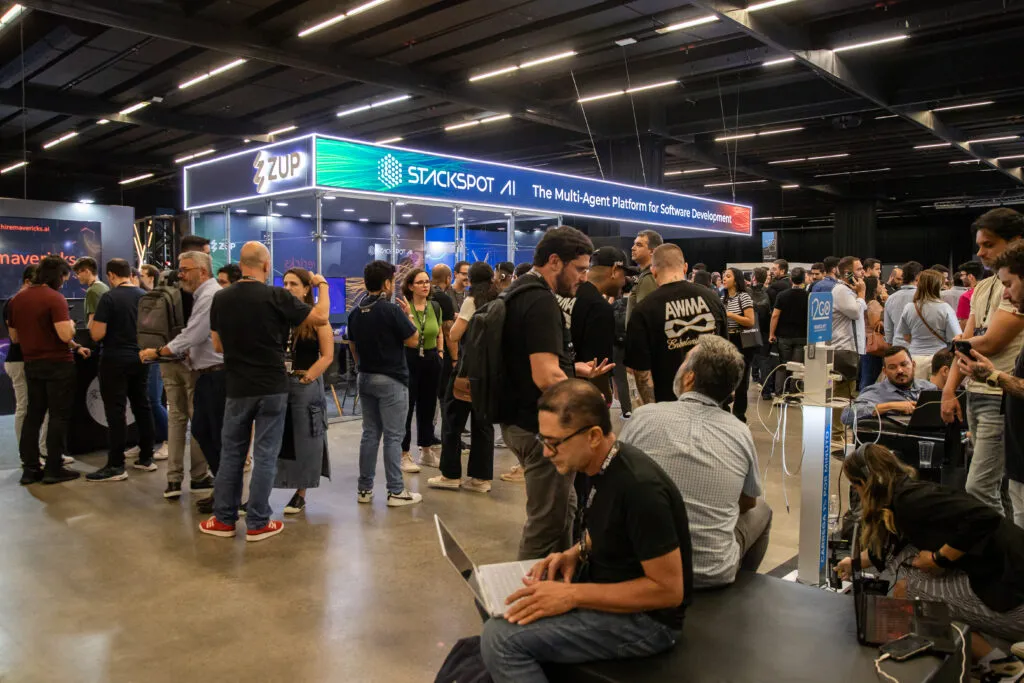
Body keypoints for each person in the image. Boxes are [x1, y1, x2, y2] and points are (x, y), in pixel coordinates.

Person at [480, 380, 693, 683]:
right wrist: (575, 552)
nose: (546, 452)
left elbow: (669, 591)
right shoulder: (601, 466)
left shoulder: (640, 488)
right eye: (543, 439)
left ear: (593, 436)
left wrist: (571, 595)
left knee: (500, 639)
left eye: (554, 442)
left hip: (647, 623)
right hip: (605, 584)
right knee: (493, 597)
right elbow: (614, 525)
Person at [835, 445, 1024, 679]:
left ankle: (1003, 667)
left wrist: (939, 558)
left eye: (854, 486)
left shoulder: (910, 501)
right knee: (910, 568)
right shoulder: (904, 496)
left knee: (911, 592)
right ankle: (992, 655)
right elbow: (889, 551)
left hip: (1015, 596)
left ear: (864, 483)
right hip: (1006, 581)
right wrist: (852, 563)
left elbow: (984, 517)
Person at [199, 242, 331, 541]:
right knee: (265, 454)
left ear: (240, 264)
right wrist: (321, 285)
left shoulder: (221, 298)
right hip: (272, 386)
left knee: (232, 453)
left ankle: (224, 520)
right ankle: (258, 522)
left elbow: (217, 346)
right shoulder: (276, 296)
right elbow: (321, 318)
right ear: (267, 266)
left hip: (237, 386)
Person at [620, 336, 772, 587]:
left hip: (640, 567)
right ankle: (743, 589)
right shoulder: (739, 431)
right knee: (763, 509)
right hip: (711, 573)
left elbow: (616, 481)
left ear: (689, 378)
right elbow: (748, 502)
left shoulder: (643, 417)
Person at [498, 226, 610, 561]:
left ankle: (559, 583)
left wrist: (576, 370)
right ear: (555, 261)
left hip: (518, 420)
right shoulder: (541, 301)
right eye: (579, 269)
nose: (583, 278)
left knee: (565, 510)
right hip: (539, 429)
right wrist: (587, 407)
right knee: (546, 522)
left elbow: (528, 358)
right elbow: (546, 377)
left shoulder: (518, 292)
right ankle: (521, 598)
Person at [942, 208, 1024, 513]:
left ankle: (999, 554)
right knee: (999, 487)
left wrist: (959, 345)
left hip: (1003, 396)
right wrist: (950, 390)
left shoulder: (1016, 285)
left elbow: (989, 342)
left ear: (1015, 242)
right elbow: (965, 342)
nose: (980, 252)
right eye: (979, 245)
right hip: (976, 392)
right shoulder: (984, 287)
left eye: (988, 244)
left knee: (979, 487)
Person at [140, 250, 219, 501]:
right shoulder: (205, 294)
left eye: (185, 269)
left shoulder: (178, 290)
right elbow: (194, 334)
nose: (180, 273)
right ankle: (198, 476)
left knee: (179, 419)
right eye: (181, 269)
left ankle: (174, 479)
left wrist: (160, 352)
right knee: (198, 422)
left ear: (202, 269)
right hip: (188, 362)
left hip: (173, 359)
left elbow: (193, 333)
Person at [347, 260, 423, 508]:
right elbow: (413, 340)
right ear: (387, 283)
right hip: (391, 379)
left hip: (365, 377)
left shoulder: (356, 313)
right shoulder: (391, 310)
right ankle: (396, 491)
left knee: (370, 434)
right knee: (393, 436)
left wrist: (362, 366)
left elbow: (353, 346)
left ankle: (364, 490)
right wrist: (409, 315)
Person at [8, 255, 88, 485]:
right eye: (64, 277)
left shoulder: (17, 300)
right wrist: (71, 325)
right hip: (57, 364)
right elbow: (65, 335)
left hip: (32, 363)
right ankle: (53, 468)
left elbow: (14, 337)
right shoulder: (55, 299)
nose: (64, 282)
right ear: (57, 276)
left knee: (33, 415)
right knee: (58, 416)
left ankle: (30, 468)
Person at [626, 244, 727, 405]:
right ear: (685, 267)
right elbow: (725, 354)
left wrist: (651, 408)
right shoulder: (713, 298)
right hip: (710, 403)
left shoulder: (643, 310)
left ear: (653, 270)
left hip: (667, 406)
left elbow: (642, 373)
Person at [86, 258, 156, 481]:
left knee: (115, 412)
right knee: (142, 406)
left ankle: (116, 465)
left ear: (111, 275)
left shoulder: (109, 298)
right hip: (141, 358)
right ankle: (146, 457)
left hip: (114, 359)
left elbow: (97, 334)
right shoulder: (145, 296)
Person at [429, 262, 497, 493]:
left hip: (467, 372)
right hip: (491, 372)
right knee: (484, 424)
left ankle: (450, 474)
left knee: (452, 421)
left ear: (471, 281)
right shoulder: (500, 302)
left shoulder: (471, 302)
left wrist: (460, 320)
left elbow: (456, 334)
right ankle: (481, 478)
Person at [272, 267, 333, 515]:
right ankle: (264, 489)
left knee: (307, 438)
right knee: (276, 440)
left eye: (294, 284)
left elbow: (327, 355)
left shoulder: (315, 318)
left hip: (304, 385)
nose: (288, 288)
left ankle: (301, 492)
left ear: (306, 289)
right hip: (278, 384)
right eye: (285, 283)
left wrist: (307, 376)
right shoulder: (280, 315)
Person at [559, 247, 630, 403]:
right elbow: (598, 369)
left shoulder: (565, 291)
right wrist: (607, 398)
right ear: (614, 270)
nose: (624, 281)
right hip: (577, 396)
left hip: (552, 385)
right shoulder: (599, 308)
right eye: (624, 275)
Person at [397, 268, 445, 471]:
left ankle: (426, 450)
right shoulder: (402, 308)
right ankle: (404, 453)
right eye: (420, 282)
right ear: (410, 286)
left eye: (427, 282)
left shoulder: (434, 306)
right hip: (409, 358)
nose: (426, 285)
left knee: (428, 406)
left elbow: (440, 330)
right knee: (407, 407)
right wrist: (407, 316)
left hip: (432, 357)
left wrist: (441, 353)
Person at [4, 266, 51, 465]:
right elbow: (14, 338)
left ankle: (44, 450)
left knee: (45, 407)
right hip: (19, 360)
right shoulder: (14, 302)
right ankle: (27, 455)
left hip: (33, 360)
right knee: (24, 407)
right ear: (27, 281)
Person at [841, 347, 937, 426]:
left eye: (904, 364)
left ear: (913, 365)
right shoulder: (875, 392)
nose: (899, 370)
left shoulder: (929, 388)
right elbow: (847, 415)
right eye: (892, 367)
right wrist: (890, 406)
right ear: (885, 371)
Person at [893, 269, 961, 378]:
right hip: (939, 360)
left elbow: (905, 336)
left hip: (914, 358)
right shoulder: (945, 308)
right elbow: (955, 337)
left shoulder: (909, 307)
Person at [136, 265, 168, 459]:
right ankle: (145, 443)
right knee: (148, 400)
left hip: (157, 355)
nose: (140, 278)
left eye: (142, 275)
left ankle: (168, 440)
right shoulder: (148, 299)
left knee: (154, 400)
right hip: (149, 354)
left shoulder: (158, 301)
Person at [720, 267, 757, 421]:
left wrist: (730, 315)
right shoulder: (723, 299)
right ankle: (725, 411)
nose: (724, 278)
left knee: (741, 382)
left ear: (736, 280)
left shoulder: (744, 297)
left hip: (742, 341)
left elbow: (750, 321)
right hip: (727, 340)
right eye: (723, 276)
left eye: (728, 276)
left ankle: (739, 416)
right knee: (725, 377)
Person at [831, 257, 867, 401]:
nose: (863, 272)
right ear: (847, 274)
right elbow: (855, 312)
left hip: (851, 348)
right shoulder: (841, 290)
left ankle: (843, 423)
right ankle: (838, 424)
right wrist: (862, 294)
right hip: (844, 348)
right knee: (842, 395)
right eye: (859, 269)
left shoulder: (849, 290)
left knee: (849, 393)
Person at [770, 266, 809, 397]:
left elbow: (775, 315)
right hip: (802, 336)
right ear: (804, 280)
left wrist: (771, 333)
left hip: (784, 336)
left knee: (782, 365)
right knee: (797, 367)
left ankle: (779, 393)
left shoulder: (782, 295)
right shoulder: (809, 296)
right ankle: (794, 394)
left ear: (791, 279)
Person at [625, 229, 663, 321]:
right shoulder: (644, 273)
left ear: (652, 251)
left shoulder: (649, 277)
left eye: (639, 245)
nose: (633, 248)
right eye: (634, 244)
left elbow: (646, 316)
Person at [749, 267, 774, 399]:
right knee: (764, 361)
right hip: (765, 331)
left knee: (746, 360)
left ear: (753, 277)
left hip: (749, 330)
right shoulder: (768, 292)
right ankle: (766, 391)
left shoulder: (747, 293)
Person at [884, 260, 923, 344]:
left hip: (897, 345)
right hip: (919, 347)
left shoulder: (891, 298)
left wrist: (890, 343)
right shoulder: (924, 297)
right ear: (918, 276)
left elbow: (888, 328)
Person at [859, 275, 886, 390]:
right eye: (880, 284)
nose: (882, 286)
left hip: (866, 342)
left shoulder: (866, 301)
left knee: (867, 376)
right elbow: (876, 324)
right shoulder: (873, 303)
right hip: (873, 344)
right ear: (874, 288)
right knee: (869, 377)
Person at [72, 256, 109, 325]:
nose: (77, 277)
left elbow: (92, 321)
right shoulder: (105, 287)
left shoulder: (92, 291)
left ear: (87, 271)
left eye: (78, 273)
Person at [957, 260, 986, 327]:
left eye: (962, 275)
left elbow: (964, 324)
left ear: (970, 276)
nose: (961, 278)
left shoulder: (965, 297)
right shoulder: (990, 291)